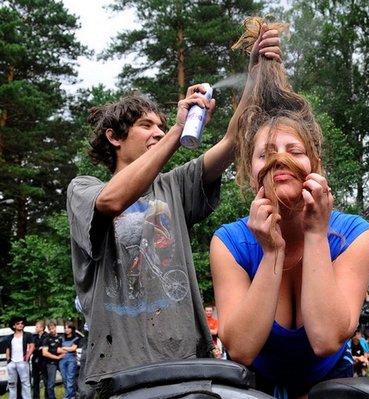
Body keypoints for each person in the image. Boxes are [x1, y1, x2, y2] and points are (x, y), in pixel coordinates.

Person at [65, 20, 282, 397]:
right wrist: (176, 133)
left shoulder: (174, 185)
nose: (157, 132)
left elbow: (235, 135)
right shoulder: (83, 190)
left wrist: (256, 70)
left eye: (161, 125)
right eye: (146, 125)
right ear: (114, 137)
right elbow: (114, 201)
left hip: (189, 364)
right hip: (116, 372)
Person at [210, 16, 369, 399]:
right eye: (264, 154)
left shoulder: (354, 234)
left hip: (331, 387)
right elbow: (242, 349)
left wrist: (316, 233)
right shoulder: (229, 242)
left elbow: (325, 340)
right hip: (255, 390)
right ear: (249, 175)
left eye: (294, 151)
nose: (279, 160)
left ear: (315, 166)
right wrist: (272, 250)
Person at [5, 316, 34, 399]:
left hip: (22, 362)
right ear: (14, 326)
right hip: (12, 363)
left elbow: (32, 346)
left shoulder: (27, 335)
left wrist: (27, 357)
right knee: (12, 384)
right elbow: (7, 349)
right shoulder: (10, 337)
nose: (20, 325)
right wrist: (8, 361)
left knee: (25, 383)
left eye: (22, 323)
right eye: (18, 323)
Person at [42, 321, 64, 399]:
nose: (52, 330)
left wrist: (63, 353)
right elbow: (44, 353)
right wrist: (57, 357)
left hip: (62, 362)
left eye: (53, 328)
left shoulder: (61, 337)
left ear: (56, 327)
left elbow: (65, 348)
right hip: (51, 363)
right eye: (50, 329)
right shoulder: (46, 339)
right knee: (51, 384)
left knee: (68, 380)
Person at [57, 322, 79, 399]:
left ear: (72, 329)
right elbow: (58, 349)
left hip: (71, 359)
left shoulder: (76, 338)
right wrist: (67, 349)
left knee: (70, 378)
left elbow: (73, 348)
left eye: (68, 328)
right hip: (62, 359)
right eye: (65, 328)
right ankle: (71, 395)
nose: (66, 329)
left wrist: (64, 348)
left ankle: (69, 397)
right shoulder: (61, 338)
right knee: (64, 379)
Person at [31, 320, 49, 399]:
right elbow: (32, 348)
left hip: (44, 360)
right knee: (35, 380)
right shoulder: (34, 336)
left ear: (42, 328)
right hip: (35, 360)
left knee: (46, 380)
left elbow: (44, 349)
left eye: (37, 327)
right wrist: (38, 349)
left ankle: (47, 396)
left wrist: (37, 349)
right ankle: (36, 397)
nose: (36, 328)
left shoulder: (46, 336)